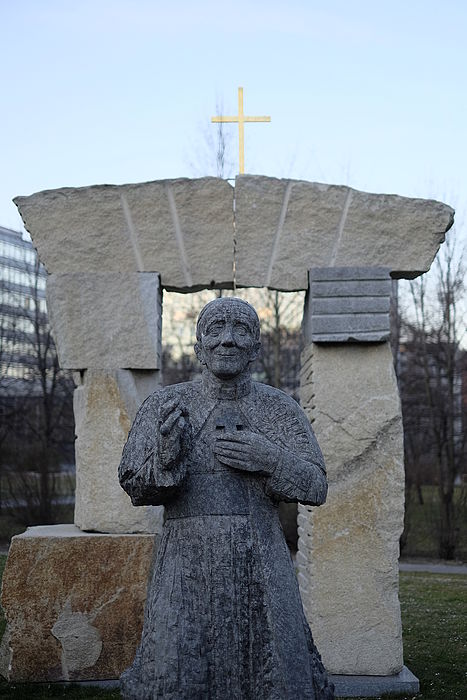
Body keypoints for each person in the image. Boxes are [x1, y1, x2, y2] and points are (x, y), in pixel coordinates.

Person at [119, 297, 334, 700]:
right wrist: (166, 457)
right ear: (198, 347)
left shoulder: (278, 408)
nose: (228, 340)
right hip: (185, 562)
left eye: (241, 330)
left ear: (255, 348)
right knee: (181, 673)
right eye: (215, 329)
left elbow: (316, 486)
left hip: (261, 559)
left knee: (271, 676)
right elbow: (133, 483)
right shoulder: (166, 405)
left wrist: (270, 459)